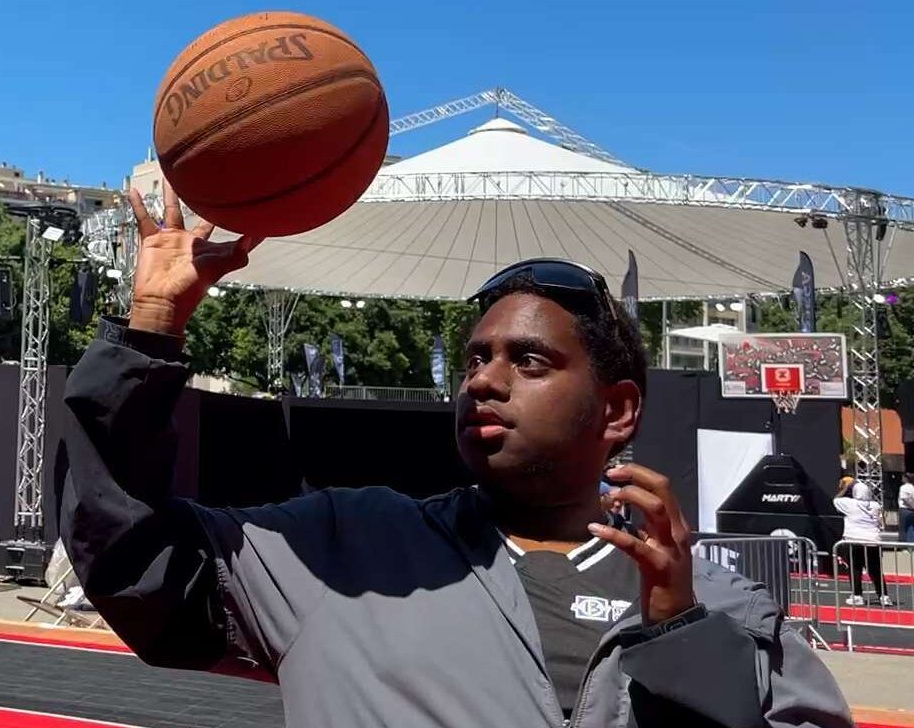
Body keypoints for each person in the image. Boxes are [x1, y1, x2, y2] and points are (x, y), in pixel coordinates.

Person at [55, 185, 850, 728]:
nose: (483, 381)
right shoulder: (345, 548)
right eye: (475, 359)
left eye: (528, 361)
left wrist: (683, 640)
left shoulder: (730, 609)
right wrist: (149, 327)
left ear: (617, 411)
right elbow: (134, 561)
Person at [833, 480, 888, 606]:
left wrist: (847, 487)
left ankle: (857, 595)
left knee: (855, 568)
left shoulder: (849, 503)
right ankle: (884, 596)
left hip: (854, 539)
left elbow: (836, 500)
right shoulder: (876, 505)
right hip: (873, 540)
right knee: (876, 570)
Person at [898, 472, 914, 545]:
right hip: (911, 510)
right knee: (910, 529)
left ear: (906, 478)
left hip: (905, 509)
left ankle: (903, 544)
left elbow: (904, 498)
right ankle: (911, 544)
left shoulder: (903, 487)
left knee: (903, 528)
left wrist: (912, 505)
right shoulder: (912, 487)